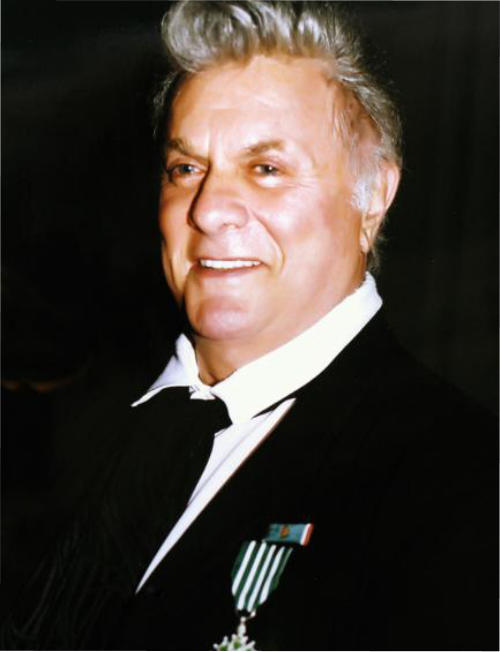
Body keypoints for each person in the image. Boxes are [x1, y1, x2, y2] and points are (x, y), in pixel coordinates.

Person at [2, 2, 497, 650]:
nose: (208, 209)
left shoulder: (461, 483)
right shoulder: (73, 430)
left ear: (373, 196)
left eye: (266, 169)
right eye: (186, 168)